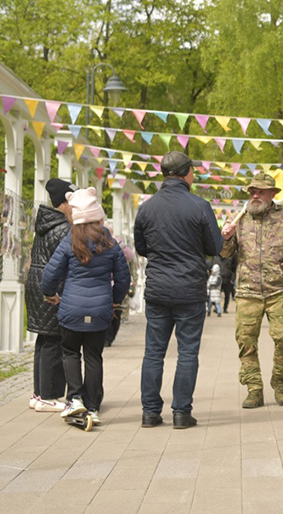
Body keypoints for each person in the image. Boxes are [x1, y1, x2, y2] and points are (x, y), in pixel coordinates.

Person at [134, 151, 223, 429]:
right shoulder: (199, 206)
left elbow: (141, 248)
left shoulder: (147, 208)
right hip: (189, 289)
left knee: (153, 352)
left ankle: (150, 412)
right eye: (193, 171)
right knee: (187, 352)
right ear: (186, 173)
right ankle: (182, 413)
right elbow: (215, 247)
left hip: (158, 289)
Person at [41, 188, 131, 426]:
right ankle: (92, 406)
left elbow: (50, 273)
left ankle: (74, 399)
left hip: (71, 309)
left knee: (70, 352)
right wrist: (114, 300)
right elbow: (124, 278)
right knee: (94, 356)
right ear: (98, 216)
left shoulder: (69, 240)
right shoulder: (110, 242)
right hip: (100, 310)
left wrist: (50, 294)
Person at [220, 172, 283, 408]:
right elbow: (225, 253)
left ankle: (279, 379)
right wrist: (226, 239)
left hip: (277, 290)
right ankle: (254, 388)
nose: (255, 195)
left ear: (272, 194)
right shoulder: (240, 219)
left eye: (260, 191)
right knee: (246, 341)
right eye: (252, 191)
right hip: (247, 291)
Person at [25, 178, 75, 412]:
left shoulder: (46, 223)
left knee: (44, 339)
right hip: (52, 286)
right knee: (55, 339)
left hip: (37, 282)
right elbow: (63, 263)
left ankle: (38, 393)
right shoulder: (64, 228)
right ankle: (50, 394)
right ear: (64, 203)